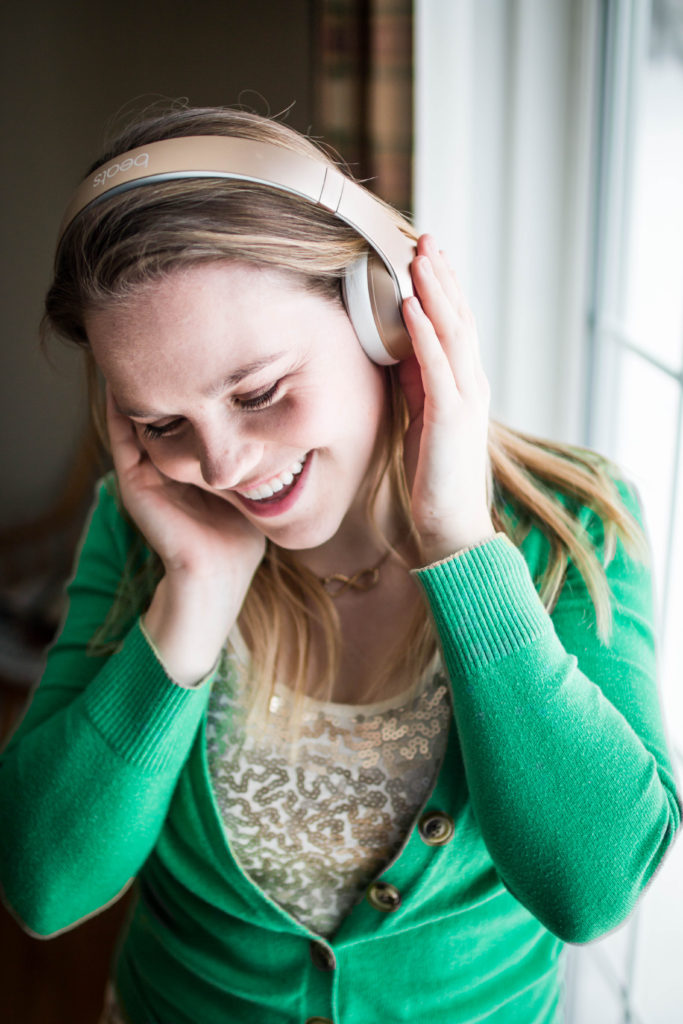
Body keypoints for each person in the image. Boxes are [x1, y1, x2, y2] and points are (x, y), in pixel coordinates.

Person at [0, 105, 680, 1024]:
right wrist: (194, 596)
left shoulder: (571, 524)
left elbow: (590, 886)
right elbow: (44, 885)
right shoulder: (143, 528)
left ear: (387, 315)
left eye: (260, 392)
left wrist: (458, 545)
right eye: (164, 425)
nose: (226, 466)